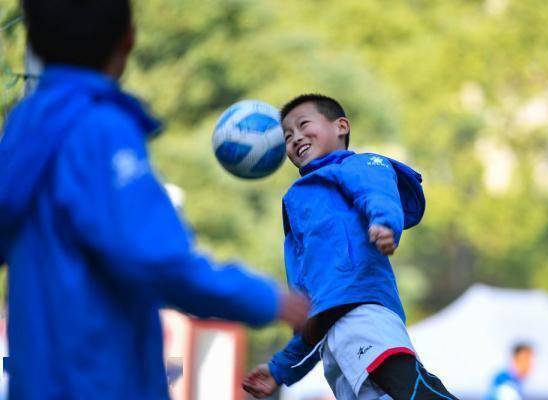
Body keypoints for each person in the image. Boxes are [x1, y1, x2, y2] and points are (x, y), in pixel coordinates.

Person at [0, 0, 308, 398]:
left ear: (31, 41)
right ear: (128, 39)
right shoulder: (100, 129)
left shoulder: (23, 128)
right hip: (101, 382)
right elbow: (157, 261)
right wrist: (270, 299)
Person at [243, 94, 457, 399]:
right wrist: (279, 370)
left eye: (304, 125)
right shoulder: (296, 199)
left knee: (414, 392)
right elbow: (316, 308)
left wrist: (383, 223)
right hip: (333, 344)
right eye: (287, 136)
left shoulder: (357, 164)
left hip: (363, 314)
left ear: (341, 126)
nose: (296, 138)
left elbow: (378, 191)